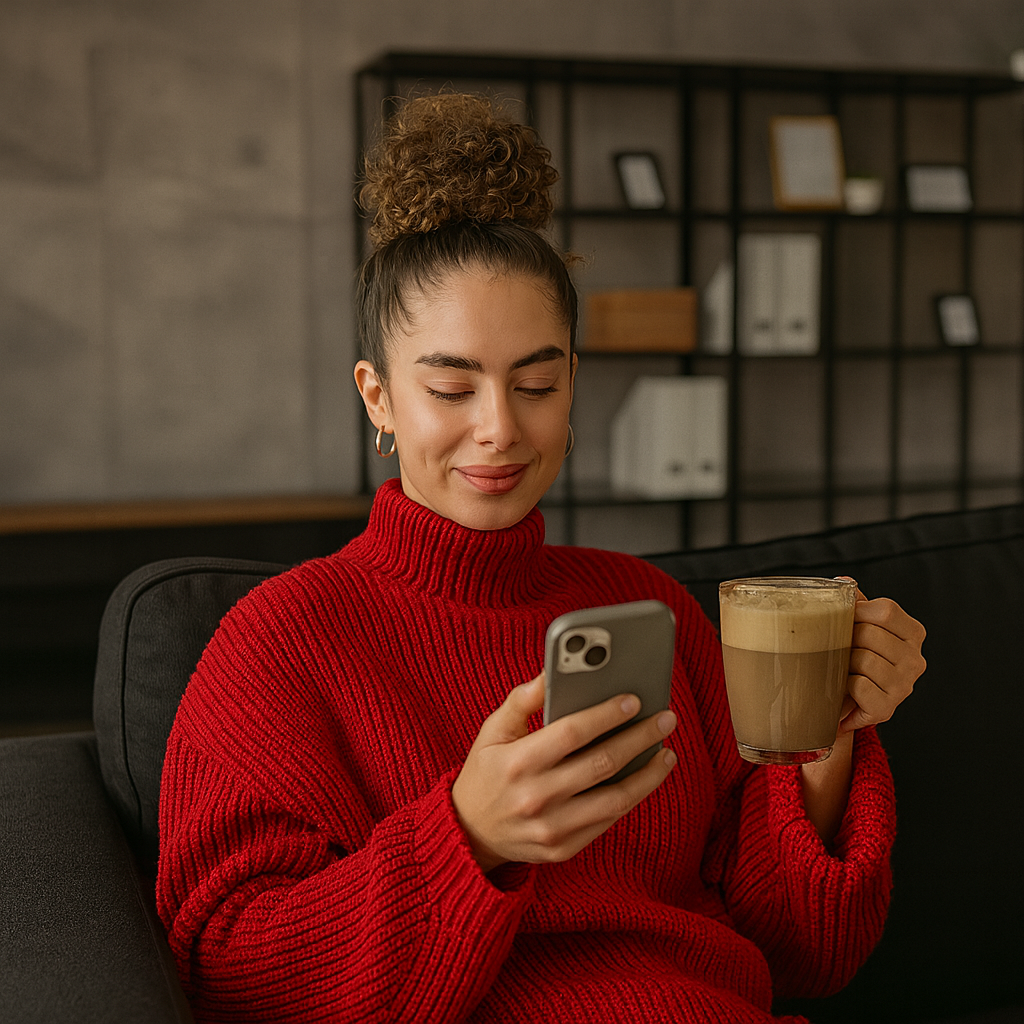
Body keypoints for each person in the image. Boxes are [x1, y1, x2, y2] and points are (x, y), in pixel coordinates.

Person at [157, 93, 927, 1024]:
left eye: (536, 383)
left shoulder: (650, 607)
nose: (499, 429)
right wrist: (470, 836)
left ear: (572, 386)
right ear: (378, 398)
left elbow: (808, 953)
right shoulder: (278, 644)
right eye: (452, 388)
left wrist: (826, 729)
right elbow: (231, 976)